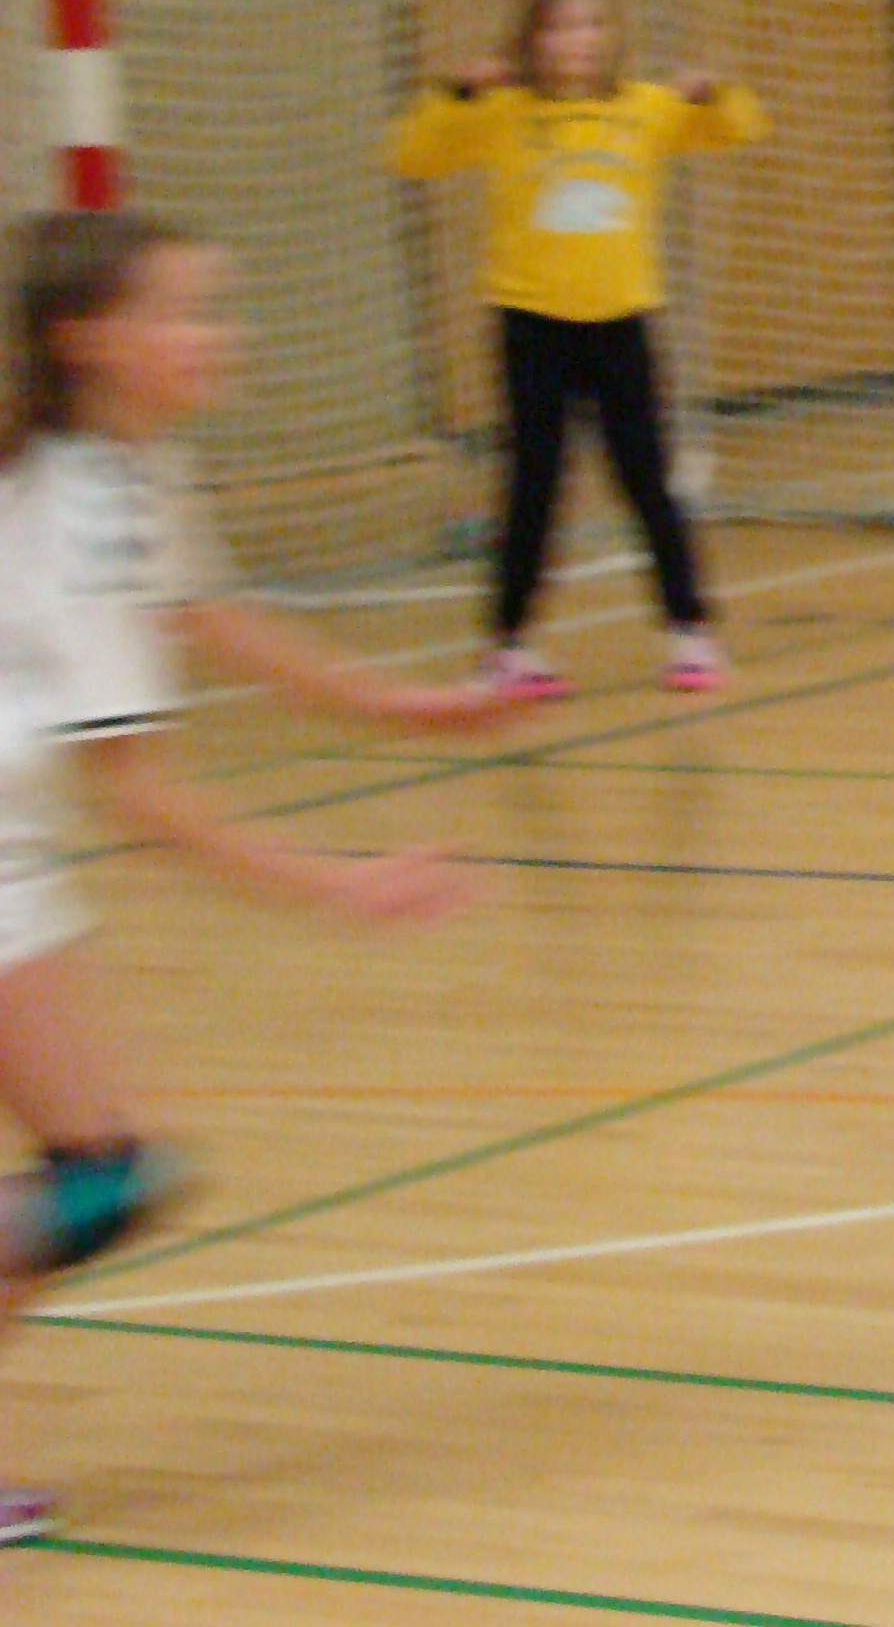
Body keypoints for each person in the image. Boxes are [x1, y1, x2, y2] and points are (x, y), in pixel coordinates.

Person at [0, 212, 500, 1542]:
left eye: (213, 306)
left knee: (99, 1176)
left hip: (13, 852)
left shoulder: (125, 469)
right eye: (178, 312)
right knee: (99, 1179)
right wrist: (343, 886)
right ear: (85, 339)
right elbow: (143, 795)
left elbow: (212, 616)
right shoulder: (84, 510)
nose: (216, 335)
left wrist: (395, 707)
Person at [388, 0, 764, 698]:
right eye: (560, 27)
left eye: (592, 24)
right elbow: (411, 153)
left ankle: (689, 631)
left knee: (646, 480)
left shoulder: (644, 109)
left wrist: (712, 93)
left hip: (621, 325)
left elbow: (741, 126)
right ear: (532, 40)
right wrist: (455, 93)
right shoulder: (504, 113)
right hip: (532, 327)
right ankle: (509, 647)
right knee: (534, 486)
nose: (578, 41)